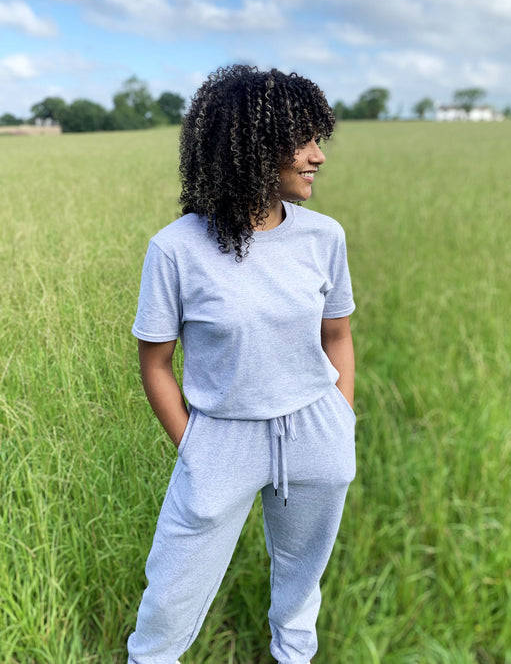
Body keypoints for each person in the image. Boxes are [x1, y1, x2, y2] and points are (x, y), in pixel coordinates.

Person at [127, 64, 356, 664]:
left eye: (318, 139)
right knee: (169, 601)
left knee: (301, 592)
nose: (318, 156)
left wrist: (342, 416)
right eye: (303, 141)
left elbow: (337, 333)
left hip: (314, 431)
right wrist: (194, 446)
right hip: (221, 438)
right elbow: (156, 363)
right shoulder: (175, 249)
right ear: (250, 148)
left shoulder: (324, 237)